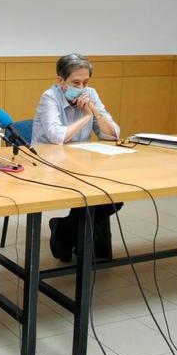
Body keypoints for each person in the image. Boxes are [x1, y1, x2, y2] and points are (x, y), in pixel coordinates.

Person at [32, 53, 122, 262]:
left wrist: (97, 113)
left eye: (85, 82)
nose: (81, 88)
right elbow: (58, 137)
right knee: (91, 193)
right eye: (75, 83)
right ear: (61, 81)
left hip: (80, 163)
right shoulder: (49, 97)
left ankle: (63, 229)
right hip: (48, 166)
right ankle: (67, 232)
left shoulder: (91, 93)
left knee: (114, 196)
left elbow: (113, 134)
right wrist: (87, 117)